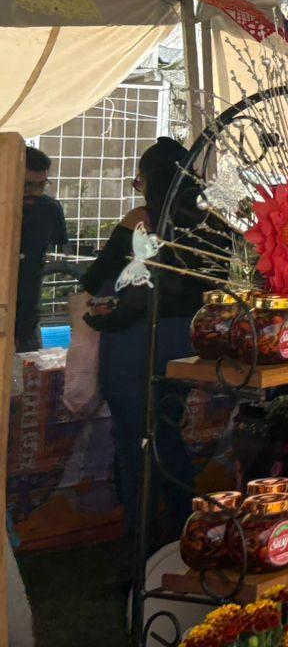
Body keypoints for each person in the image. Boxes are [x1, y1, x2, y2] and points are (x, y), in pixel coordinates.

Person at [79, 137, 203, 574]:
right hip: (183, 344)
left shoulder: (140, 220)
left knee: (135, 446)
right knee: (168, 435)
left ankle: (142, 550)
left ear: (149, 180)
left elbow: (95, 279)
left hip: (134, 343)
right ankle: (189, 534)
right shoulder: (207, 223)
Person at [18, 147, 67, 353]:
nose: (35, 193)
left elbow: (62, 251)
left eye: (41, 185)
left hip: (27, 314)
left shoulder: (49, 209)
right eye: (27, 186)